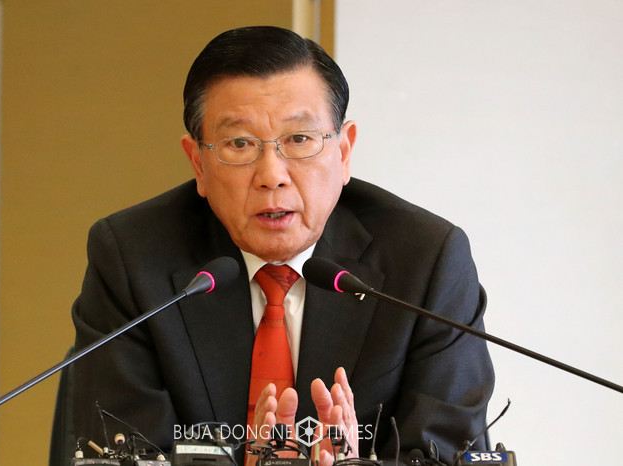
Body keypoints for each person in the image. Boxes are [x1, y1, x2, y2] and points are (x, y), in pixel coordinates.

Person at [62, 26, 494, 466]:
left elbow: (446, 453)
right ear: (198, 164)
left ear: (344, 152)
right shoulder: (132, 259)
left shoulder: (426, 261)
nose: (272, 175)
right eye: (239, 143)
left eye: (299, 139)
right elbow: (123, 452)